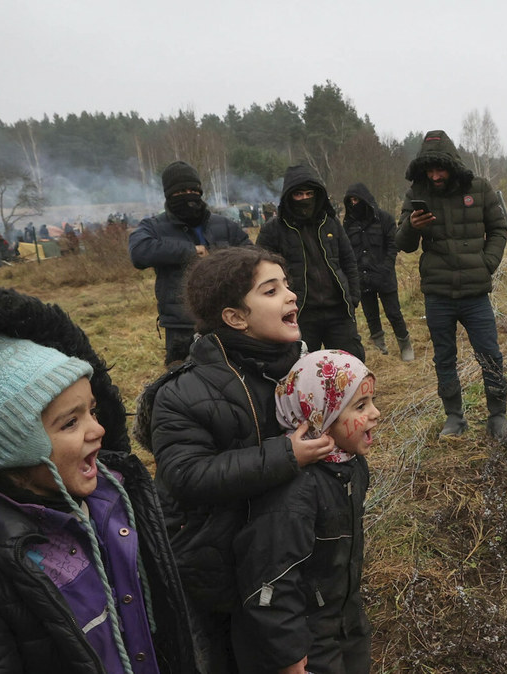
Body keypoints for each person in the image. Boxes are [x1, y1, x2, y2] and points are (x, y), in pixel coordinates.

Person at [0, 286, 197, 673]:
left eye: (93, 410)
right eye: (70, 422)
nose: (98, 430)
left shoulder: (115, 504)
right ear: (8, 447)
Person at [136, 246, 336, 674]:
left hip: (282, 557)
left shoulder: (299, 373)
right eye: (271, 290)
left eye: (287, 285)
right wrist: (287, 455)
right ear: (235, 318)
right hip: (214, 568)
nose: (291, 296)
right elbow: (185, 474)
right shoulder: (183, 393)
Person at [233, 349, 378, 674]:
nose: (375, 413)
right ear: (319, 416)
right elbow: (272, 578)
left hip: (346, 621)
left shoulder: (351, 467)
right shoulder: (296, 492)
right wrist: (288, 654)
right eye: (360, 406)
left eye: (372, 401)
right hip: (309, 641)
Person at [395, 130, 507, 441]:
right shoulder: (416, 193)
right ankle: (454, 417)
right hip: (438, 294)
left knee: (490, 354)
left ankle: (497, 416)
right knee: (444, 357)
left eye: (440, 168)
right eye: (430, 169)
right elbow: (403, 244)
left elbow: (499, 228)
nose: (435, 175)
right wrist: (411, 226)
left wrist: (487, 263)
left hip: (475, 293)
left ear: (452, 164)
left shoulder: (480, 188)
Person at [129, 160, 253, 366]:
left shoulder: (225, 225)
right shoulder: (154, 227)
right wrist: (189, 252)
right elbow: (139, 252)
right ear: (168, 195)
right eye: (179, 192)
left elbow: (253, 255)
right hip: (181, 325)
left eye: (192, 190)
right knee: (183, 383)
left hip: (227, 319)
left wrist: (223, 258)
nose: (188, 196)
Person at [256, 165, 365, 360]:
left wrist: (353, 297)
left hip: (339, 310)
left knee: (351, 365)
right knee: (301, 371)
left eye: (309, 193)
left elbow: (349, 261)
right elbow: (261, 275)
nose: (305, 199)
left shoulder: (330, 223)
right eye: (298, 194)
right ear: (289, 196)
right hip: (299, 313)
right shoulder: (273, 230)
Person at [344, 183, 413, 361]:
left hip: (384, 276)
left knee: (394, 313)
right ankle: (379, 347)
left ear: (365, 199)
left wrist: (385, 268)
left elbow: (393, 245)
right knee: (371, 316)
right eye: (351, 200)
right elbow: (346, 251)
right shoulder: (348, 223)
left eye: (357, 199)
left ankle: (405, 344)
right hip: (362, 278)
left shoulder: (384, 219)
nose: (354, 203)